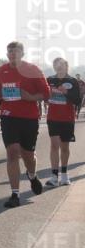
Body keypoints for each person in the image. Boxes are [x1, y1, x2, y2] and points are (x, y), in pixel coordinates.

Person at [0, 41, 50, 208]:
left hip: (29, 118)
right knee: (12, 152)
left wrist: (30, 98)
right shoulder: (2, 70)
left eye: (15, 52)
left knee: (28, 155)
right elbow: (0, 90)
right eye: (9, 52)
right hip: (8, 116)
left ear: (22, 54)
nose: (12, 55)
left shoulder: (33, 70)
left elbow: (46, 93)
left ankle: (32, 175)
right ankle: (15, 194)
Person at [44, 57, 81, 187]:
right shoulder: (49, 80)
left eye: (60, 64)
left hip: (67, 119)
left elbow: (77, 101)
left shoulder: (73, 81)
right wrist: (46, 97)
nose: (58, 67)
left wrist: (66, 93)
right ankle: (54, 176)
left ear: (66, 66)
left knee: (64, 147)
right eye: (55, 65)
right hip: (53, 118)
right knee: (54, 145)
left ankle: (64, 175)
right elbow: (44, 96)